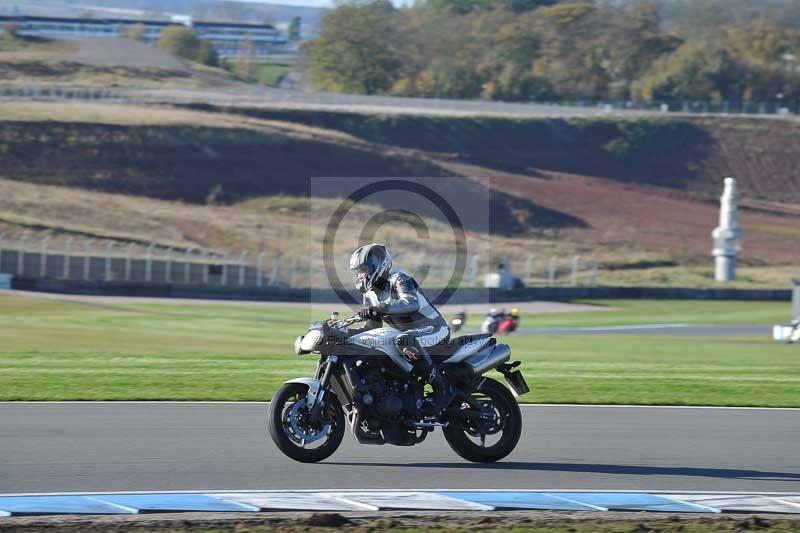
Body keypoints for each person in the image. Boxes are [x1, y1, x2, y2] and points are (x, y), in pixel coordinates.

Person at [349, 243, 453, 415]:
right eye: (358, 272)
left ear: (378, 266)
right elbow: (372, 328)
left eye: (363, 270)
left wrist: (381, 307)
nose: (360, 276)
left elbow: (411, 302)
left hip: (435, 330)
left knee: (403, 340)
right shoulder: (369, 295)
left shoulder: (398, 279)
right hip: (412, 338)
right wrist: (347, 335)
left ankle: (442, 387)